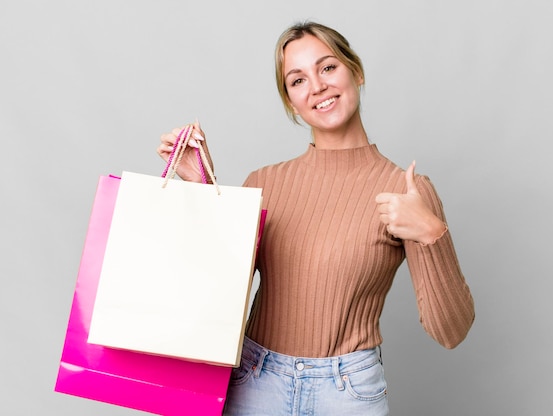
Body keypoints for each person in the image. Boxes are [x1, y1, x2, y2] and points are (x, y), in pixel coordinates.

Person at [157, 21, 474, 416]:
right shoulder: (264, 182)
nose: (317, 87)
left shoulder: (405, 190)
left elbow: (451, 332)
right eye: (297, 80)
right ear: (291, 101)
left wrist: (432, 232)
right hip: (255, 383)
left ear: (355, 71)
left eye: (327, 68)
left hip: (347, 393)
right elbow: (215, 295)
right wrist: (203, 188)